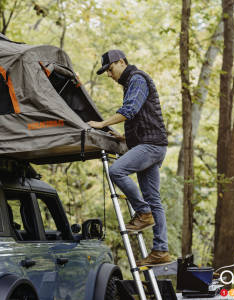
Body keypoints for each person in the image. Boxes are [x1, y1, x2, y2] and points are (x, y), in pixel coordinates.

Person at [87, 50, 171, 266]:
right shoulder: (132, 83)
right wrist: (124, 137)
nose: (109, 74)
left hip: (151, 146)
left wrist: (102, 124)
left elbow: (130, 110)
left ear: (121, 62)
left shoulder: (137, 79)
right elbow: (144, 119)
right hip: (152, 144)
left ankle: (143, 212)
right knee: (155, 200)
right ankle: (161, 251)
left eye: (109, 69)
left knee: (116, 171)